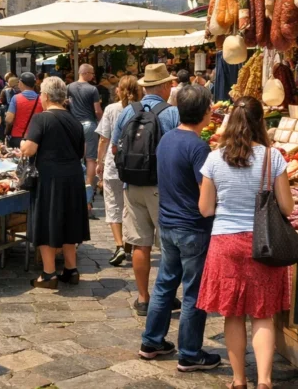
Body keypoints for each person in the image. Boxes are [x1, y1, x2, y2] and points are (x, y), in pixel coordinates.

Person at [198, 96, 294, 389]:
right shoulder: (272, 158)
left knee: (233, 314)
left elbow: (205, 209)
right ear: (260, 121)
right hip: (263, 244)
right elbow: (287, 207)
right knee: (263, 315)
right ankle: (264, 381)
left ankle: (239, 380)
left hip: (225, 243)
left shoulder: (214, 158)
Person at [140, 85, 221, 370]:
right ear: (205, 113)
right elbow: (205, 193)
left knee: (165, 283)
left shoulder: (167, 138)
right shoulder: (198, 147)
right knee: (193, 291)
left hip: (168, 223)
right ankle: (189, 353)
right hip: (192, 227)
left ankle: (151, 341)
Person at [111, 63, 181, 316]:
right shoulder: (172, 113)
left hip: (132, 185)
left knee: (140, 245)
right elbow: (178, 150)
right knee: (169, 246)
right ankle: (166, 296)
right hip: (162, 187)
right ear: (163, 87)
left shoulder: (127, 112)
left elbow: (115, 148)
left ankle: (143, 298)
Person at [21, 76, 91, 288]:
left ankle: (49, 274)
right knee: (69, 221)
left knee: (47, 223)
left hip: (50, 178)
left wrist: (23, 144)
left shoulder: (41, 119)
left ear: (46, 96)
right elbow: (82, 152)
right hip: (73, 177)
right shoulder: (74, 120)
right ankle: (71, 269)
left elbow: (29, 149)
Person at [95, 75, 142, 267]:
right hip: (137, 165)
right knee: (131, 208)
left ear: (119, 90)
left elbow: (104, 139)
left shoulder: (111, 109)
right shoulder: (143, 109)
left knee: (113, 204)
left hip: (114, 164)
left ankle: (119, 245)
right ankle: (129, 247)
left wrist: (99, 161)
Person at [68, 64, 103, 216]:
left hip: (73, 124)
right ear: (86, 73)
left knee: (75, 158)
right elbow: (97, 110)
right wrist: (102, 122)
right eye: (92, 73)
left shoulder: (69, 87)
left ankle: (74, 193)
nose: (93, 76)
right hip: (89, 124)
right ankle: (87, 198)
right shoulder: (92, 89)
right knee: (90, 159)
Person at [6, 72, 42, 148]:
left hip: (18, 137)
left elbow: (9, 119)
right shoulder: (41, 99)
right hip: (36, 138)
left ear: (21, 83)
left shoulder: (16, 98)